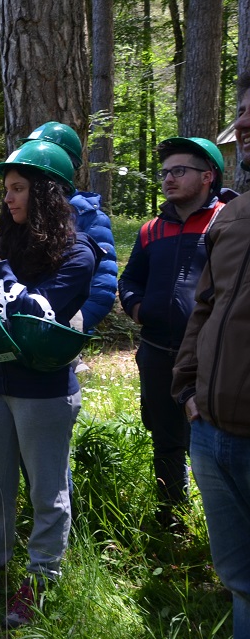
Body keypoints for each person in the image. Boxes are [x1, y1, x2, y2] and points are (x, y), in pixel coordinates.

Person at [0, 140, 100, 628]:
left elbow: (35, 312)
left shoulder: (79, 253)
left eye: (18, 189)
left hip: (43, 389)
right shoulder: (10, 241)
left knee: (47, 492)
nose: (8, 198)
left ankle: (42, 579)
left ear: (46, 194)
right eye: (7, 189)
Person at [173, 75, 250, 639]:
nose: (241, 125)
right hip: (212, 431)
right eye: (242, 112)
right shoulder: (235, 215)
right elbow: (205, 306)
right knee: (240, 577)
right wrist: (188, 391)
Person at [118, 136, 233, 529]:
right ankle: (173, 517)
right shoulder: (151, 230)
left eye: (179, 171)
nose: (168, 178)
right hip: (155, 351)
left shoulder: (228, 222)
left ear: (207, 176)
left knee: (216, 440)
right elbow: (130, 278)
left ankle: (221, 524)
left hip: (213, 357)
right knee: (165, 437)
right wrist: (138, 308)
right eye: (165, 172)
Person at [22, 122, 118, 335]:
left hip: (59, 331)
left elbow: (103, 286)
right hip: (21, 322)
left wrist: (71, 325)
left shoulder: (89, 217)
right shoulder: (23, 211)